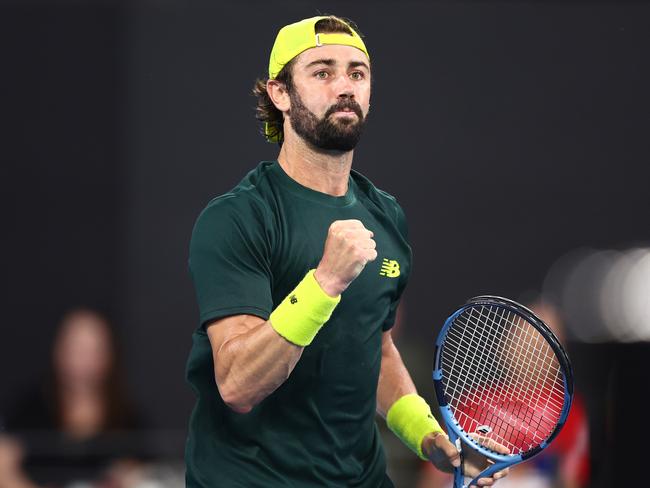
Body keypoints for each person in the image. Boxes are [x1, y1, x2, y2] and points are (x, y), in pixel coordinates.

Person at [185, 15, 509, 487]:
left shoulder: (386, 215)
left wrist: (428, 436)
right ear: (280, 94)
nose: (345, 86)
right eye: (322, 72)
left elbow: (374, 347)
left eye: (357, 73)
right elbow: (238, 384)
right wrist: (324, 283)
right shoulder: (237, 218)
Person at [1, 308, 145, 487]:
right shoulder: (29, 408)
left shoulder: (127, 414)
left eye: (94, 350)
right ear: (59, 350)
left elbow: (145, 470)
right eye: (77, 349)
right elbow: (4, 463)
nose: (85, 361)